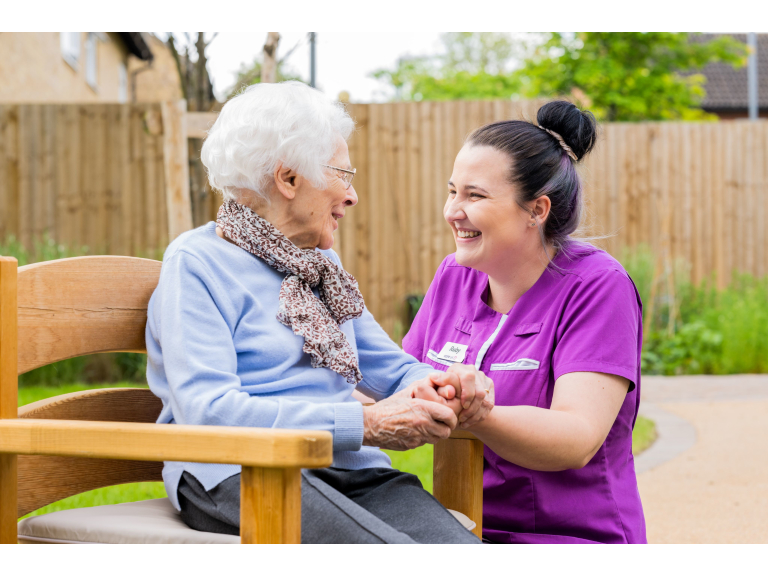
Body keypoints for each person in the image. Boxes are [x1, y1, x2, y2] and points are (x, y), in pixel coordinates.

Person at [145, 81, 492, 544]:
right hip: (239, 471)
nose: (351, 195)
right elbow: (209, 412)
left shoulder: (320, 265)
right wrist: (364, 424)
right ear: (288, 179)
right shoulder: (196, 263)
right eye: (342, 175)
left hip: (346, 468)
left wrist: (444, 382)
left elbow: (385, 364)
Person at [403, 101, 647, 544]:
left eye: (474, 196)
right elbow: (396, 381)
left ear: (537, 210)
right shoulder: (452, 276)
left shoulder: (596, 286)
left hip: (570, 538)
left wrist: (475, 412)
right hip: (456, 527)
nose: (453, 210)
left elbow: (577, 437)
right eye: (452, 191)